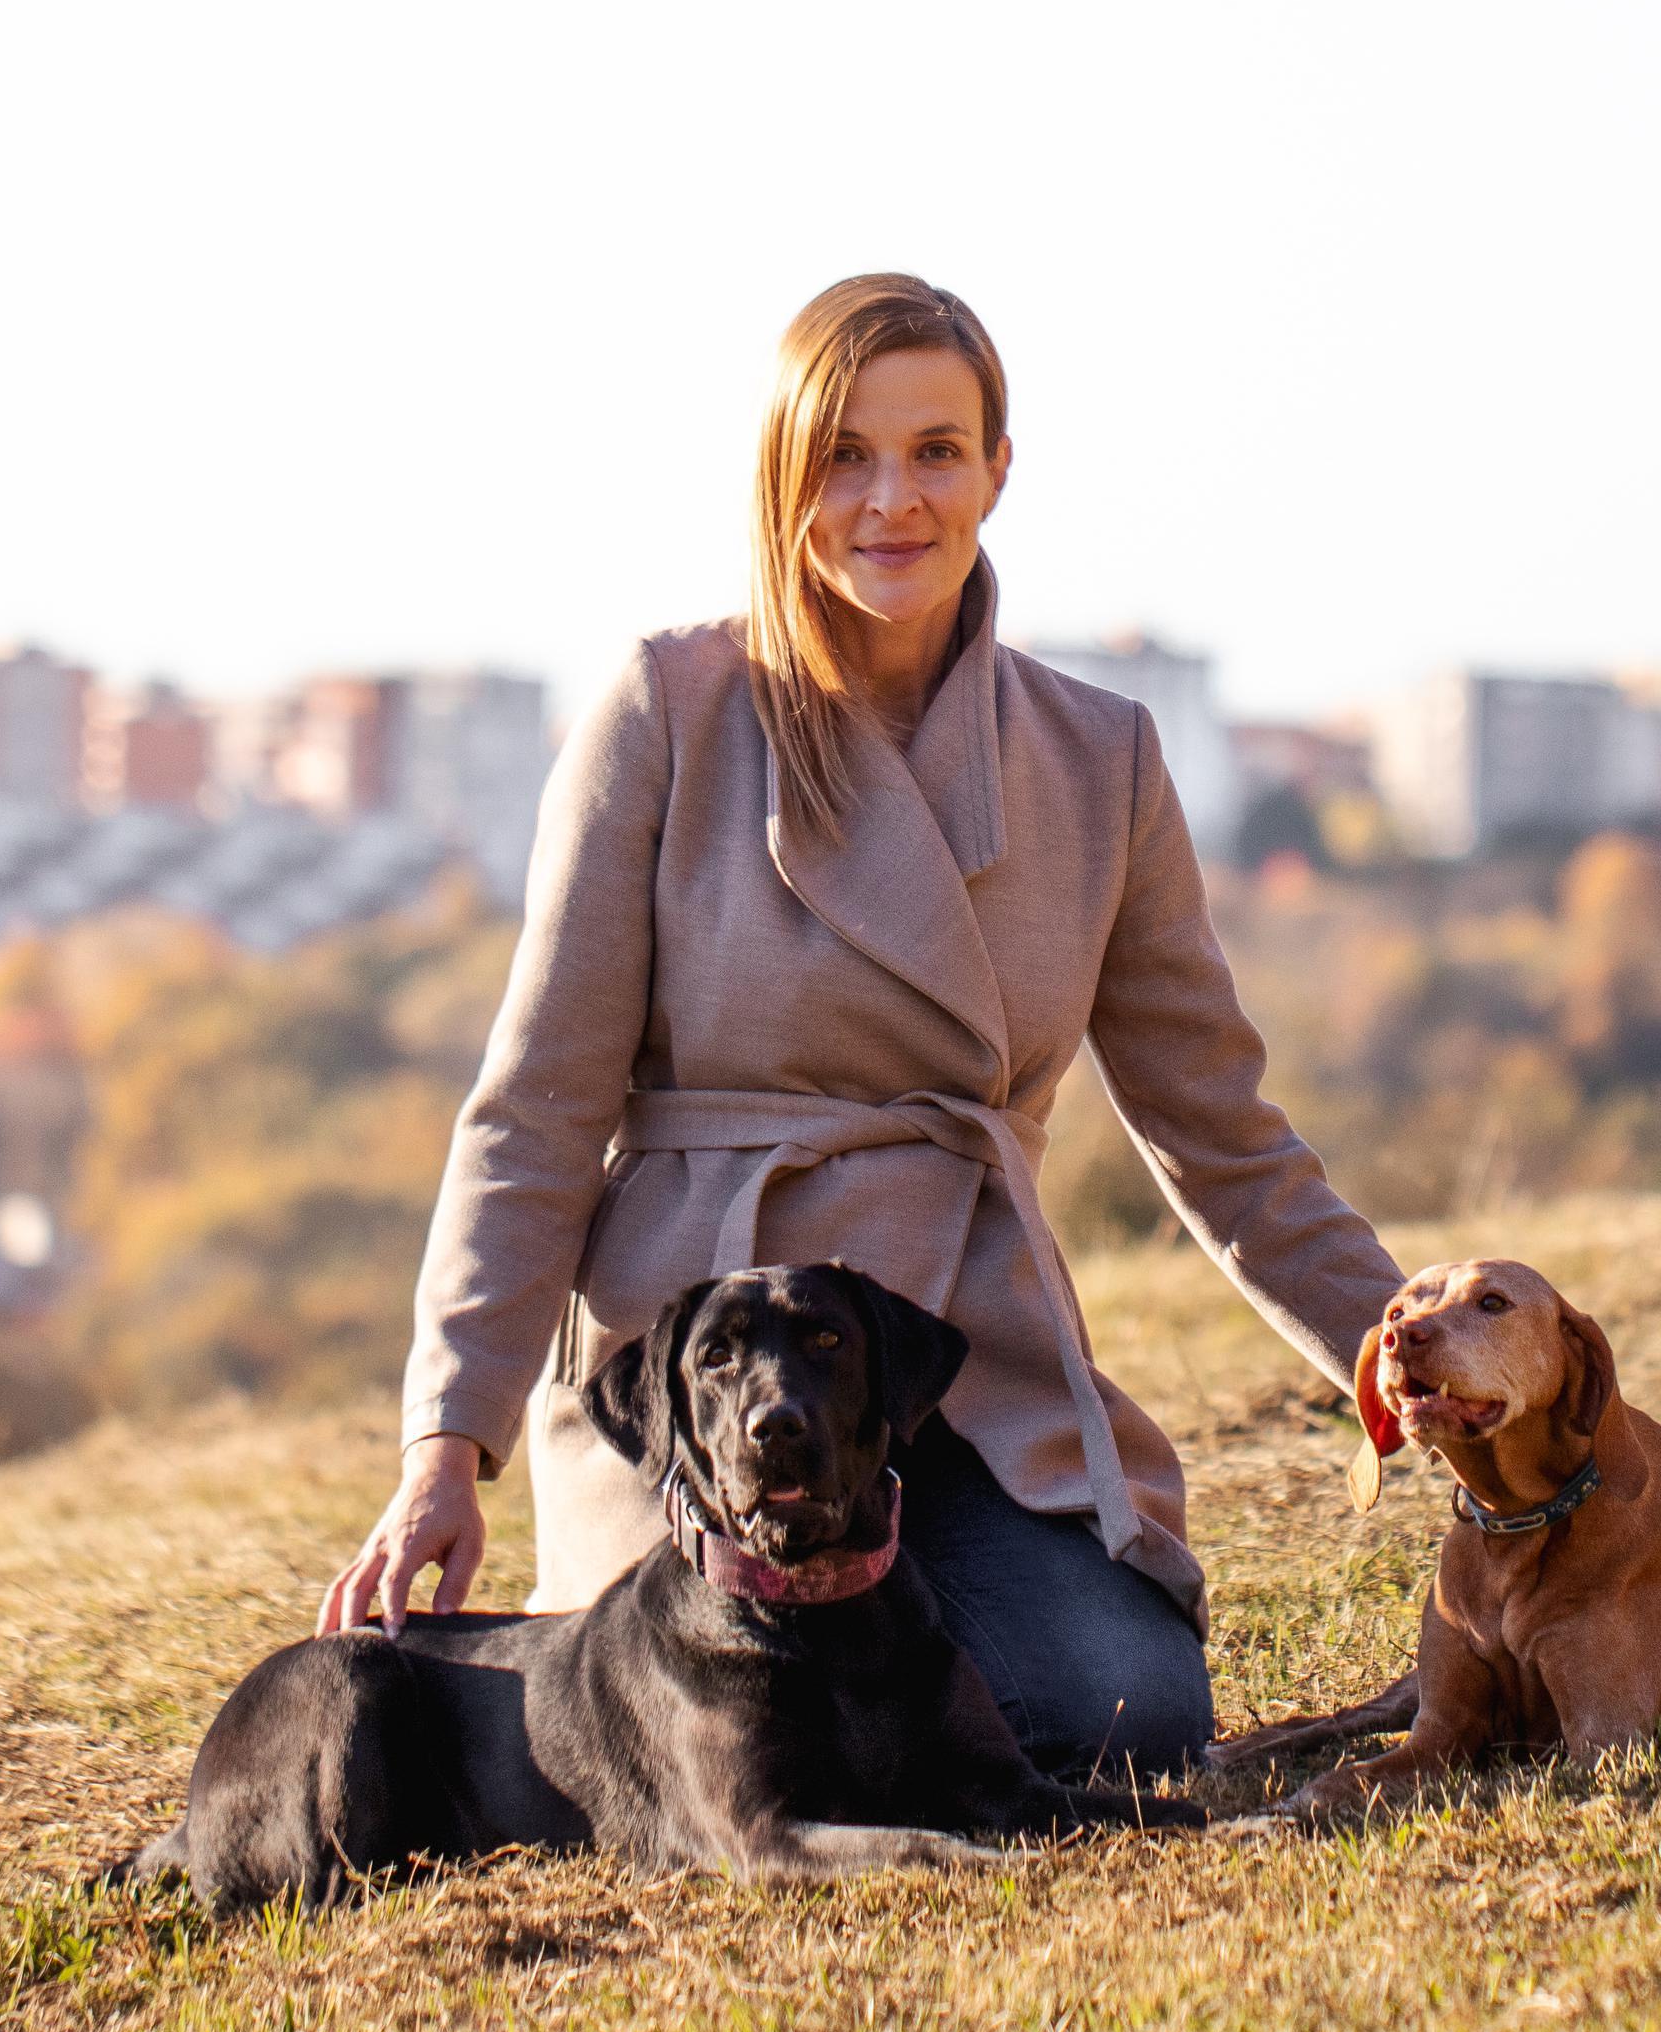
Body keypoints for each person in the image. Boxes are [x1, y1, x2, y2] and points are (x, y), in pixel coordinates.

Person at [317, 272, 1400, 1784]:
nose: (893, 499)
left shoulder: (1101, 761)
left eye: (937, 451)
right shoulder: (666, 712)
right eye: (844, 456)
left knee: (1126, 1717)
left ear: (998, 470)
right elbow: (537, 1112)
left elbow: (1225, 1141)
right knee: (738, 1732)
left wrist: (1412, 1352)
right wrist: (450, 1440)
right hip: (708, 1376)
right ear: (784, 477)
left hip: (948, 1368)